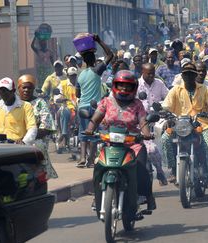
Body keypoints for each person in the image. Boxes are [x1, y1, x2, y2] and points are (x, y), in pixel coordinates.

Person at [84, 70, 157, 216]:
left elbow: (143, 121)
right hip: (110, 143)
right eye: (121, 85)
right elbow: (96, 117)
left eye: (127, 86)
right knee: (98, 166)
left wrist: (146, 134)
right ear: (115, 85)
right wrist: (90, 129)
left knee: (141, 167)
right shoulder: (106, 102)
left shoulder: (137, 104)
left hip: (132, 143)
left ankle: (145, 196)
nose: (124, 89)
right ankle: (97, 196)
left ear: (134, 88)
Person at [161, 63, 208, 200]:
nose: (189, 77)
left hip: (200, 124)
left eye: (191, 74)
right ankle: (172, 169)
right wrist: (163, 111)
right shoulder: (175, 90)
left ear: (196, 75)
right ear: (182, 76)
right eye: (186, 74)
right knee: (165, 139)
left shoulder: (205, 89)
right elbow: (166, 105)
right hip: (180, 125)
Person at [76, 34, 114, 168]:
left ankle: (82, 158)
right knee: (93, 133)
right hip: (94, 106)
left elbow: (77, 93)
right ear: (94, 59)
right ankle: (91, 160)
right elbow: (110, 55)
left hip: (81, 107)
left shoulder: (80, 75)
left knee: (83, 133)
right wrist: (99, 41)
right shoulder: (96, 70)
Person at [17, 74, 58, 179]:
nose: (26, 90)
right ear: (18, 88)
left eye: (29, 88)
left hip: (35, 140)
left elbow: (46, 128)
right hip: (15, 140)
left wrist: (27, 138)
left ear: (33, 89)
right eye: (24, 87)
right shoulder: (14, 104)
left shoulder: (40, 103)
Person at [0, 78, 37, 145]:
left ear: (13, 91)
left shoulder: (25, 106)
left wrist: (24, 142)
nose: (3, 93)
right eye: (1, 91)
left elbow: (32, 128)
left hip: (17, 145)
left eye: (6, 91)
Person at [137, 63, 169, 186]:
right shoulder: (137, 85)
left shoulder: (159, 84)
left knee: (157, 145)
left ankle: (161, 171)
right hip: (140, 121)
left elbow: (168, 98)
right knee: (149, 149)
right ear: (142, 72)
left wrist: (161, 106)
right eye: (148, 73)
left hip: (157, 119)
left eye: (152, 73)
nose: (151, 76)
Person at [55, 67, 78, 152]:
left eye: (74, 75)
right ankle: (64, 133)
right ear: (68, 75)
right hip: (67, 107)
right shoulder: (63, 84)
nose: (73, 77)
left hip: (78, 108)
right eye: (71, 75)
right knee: (65, 112)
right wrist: (62, 99)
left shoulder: (79, 84)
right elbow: (56, 98)